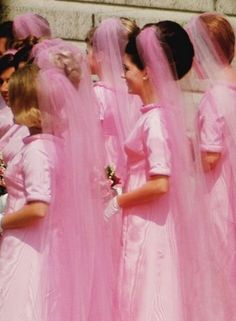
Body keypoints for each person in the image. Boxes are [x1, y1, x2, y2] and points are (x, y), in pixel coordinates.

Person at [103, 21, 197, 321]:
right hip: (145, 219)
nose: (123, 75)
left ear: (146, 71)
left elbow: (160, 184)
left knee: (148, 292)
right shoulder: (156, 116)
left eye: (128, 68)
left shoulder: (155, 121)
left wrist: (118, 201)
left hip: (150, 224)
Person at [187, 12, 236, 320]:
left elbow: (209, 157)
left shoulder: (214, 98)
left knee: (215, 265)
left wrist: (184, 151)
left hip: (216, 197)